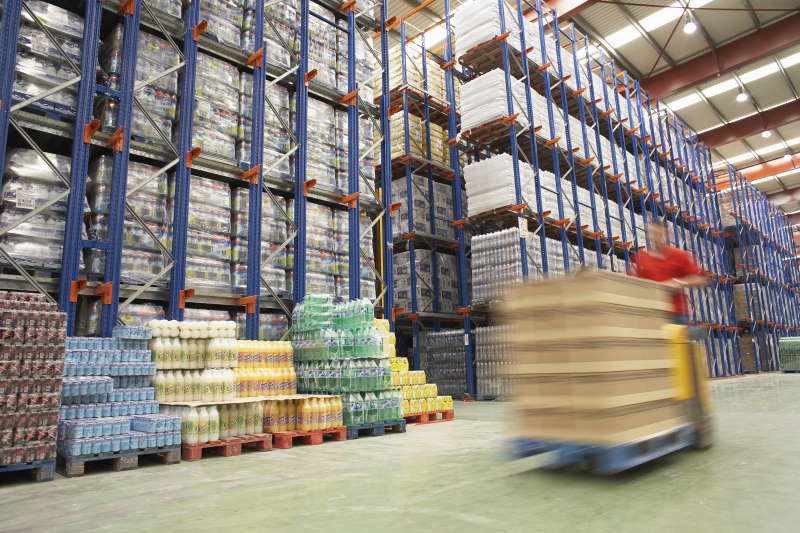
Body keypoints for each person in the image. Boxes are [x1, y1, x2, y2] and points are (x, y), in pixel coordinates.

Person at [633, 218, 706, 324]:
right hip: (653, 313)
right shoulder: (643, 259)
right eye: (652, 233)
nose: (655, 238)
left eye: (658, 233)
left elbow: (700, 279)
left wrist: (678, 283)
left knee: (678, 340)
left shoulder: (680, 255)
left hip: (677, 314)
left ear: (665, 233)